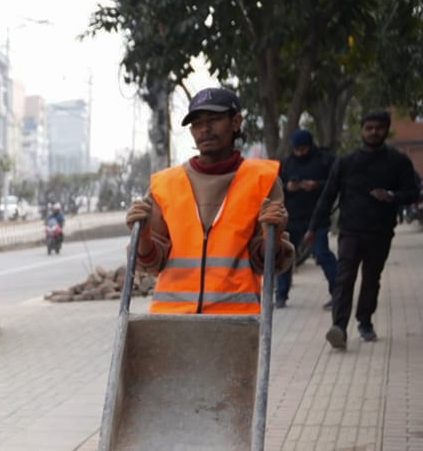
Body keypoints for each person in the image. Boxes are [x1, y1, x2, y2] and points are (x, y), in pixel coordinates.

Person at [125, 86, 293, 314]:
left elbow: (267, 264)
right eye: (196, 123)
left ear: (236, 122)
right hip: (171, 324)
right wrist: (143, 235)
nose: (204, 129)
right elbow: (151, 264)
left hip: (235, 325)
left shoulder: (262, 180)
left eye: (214, 119)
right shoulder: (165, 185)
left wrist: (271, 235)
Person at [309, 109, 422, 348]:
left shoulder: (398, 161)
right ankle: (338, 327)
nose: (373, 132)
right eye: (369, 128)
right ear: (362, 130)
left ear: (386, 130)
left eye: (379, 128)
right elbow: (327, 196)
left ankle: (365, 321)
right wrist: (313, 228)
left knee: (371, 279)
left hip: (381, 232)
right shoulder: (346, 162)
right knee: (344, 278)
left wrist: (391, 195)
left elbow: (413, 193)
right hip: (350, 230)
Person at [277, 129, 337, 310]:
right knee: (284, 256)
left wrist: (316, 185)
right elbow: (276, 187)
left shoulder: (324, 160)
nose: (300, 153)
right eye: (297, 149)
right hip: (292, 218)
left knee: (322, 254)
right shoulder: (286, 164)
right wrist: (288, 187)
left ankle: (338, 293)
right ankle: (281, 294)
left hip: (317, 218)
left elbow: (336, 184)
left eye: (303, 149)